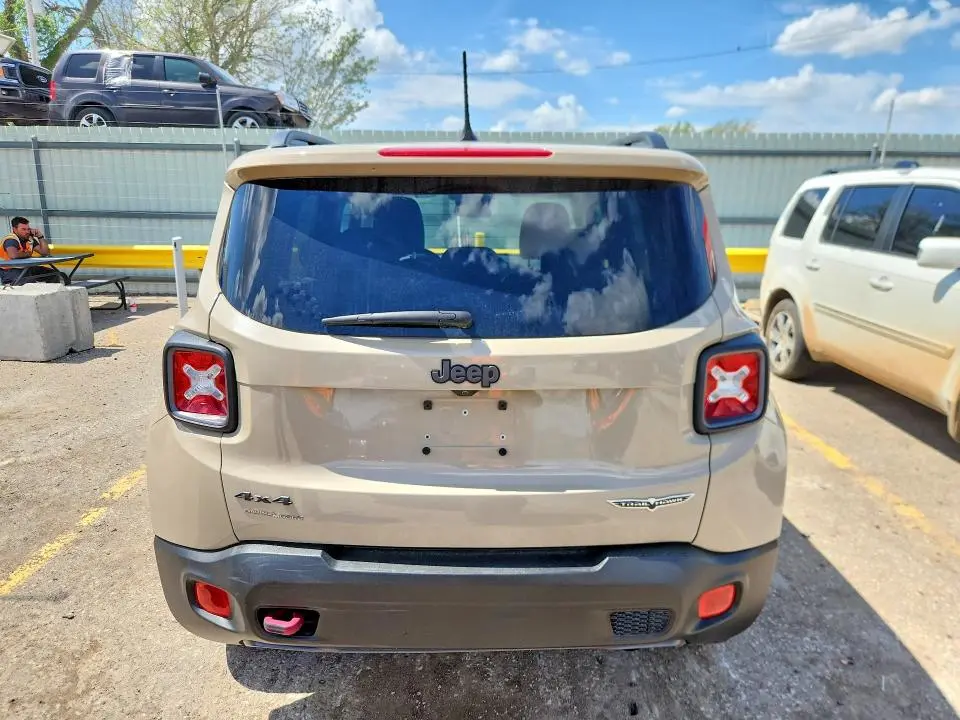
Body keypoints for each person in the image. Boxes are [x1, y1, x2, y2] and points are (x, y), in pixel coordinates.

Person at [1, 216, 62, 286]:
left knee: (54, 274)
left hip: (26, 267)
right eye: (23, 229)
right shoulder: (11, 240)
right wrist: (27, 254)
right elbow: (13, 255)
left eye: (28, 229)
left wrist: (40, 236)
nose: (27, 232)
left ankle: (52, 295)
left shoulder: (29, 239)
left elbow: (45, 252)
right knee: (30, 284)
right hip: (9, 270)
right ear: (15, 229)